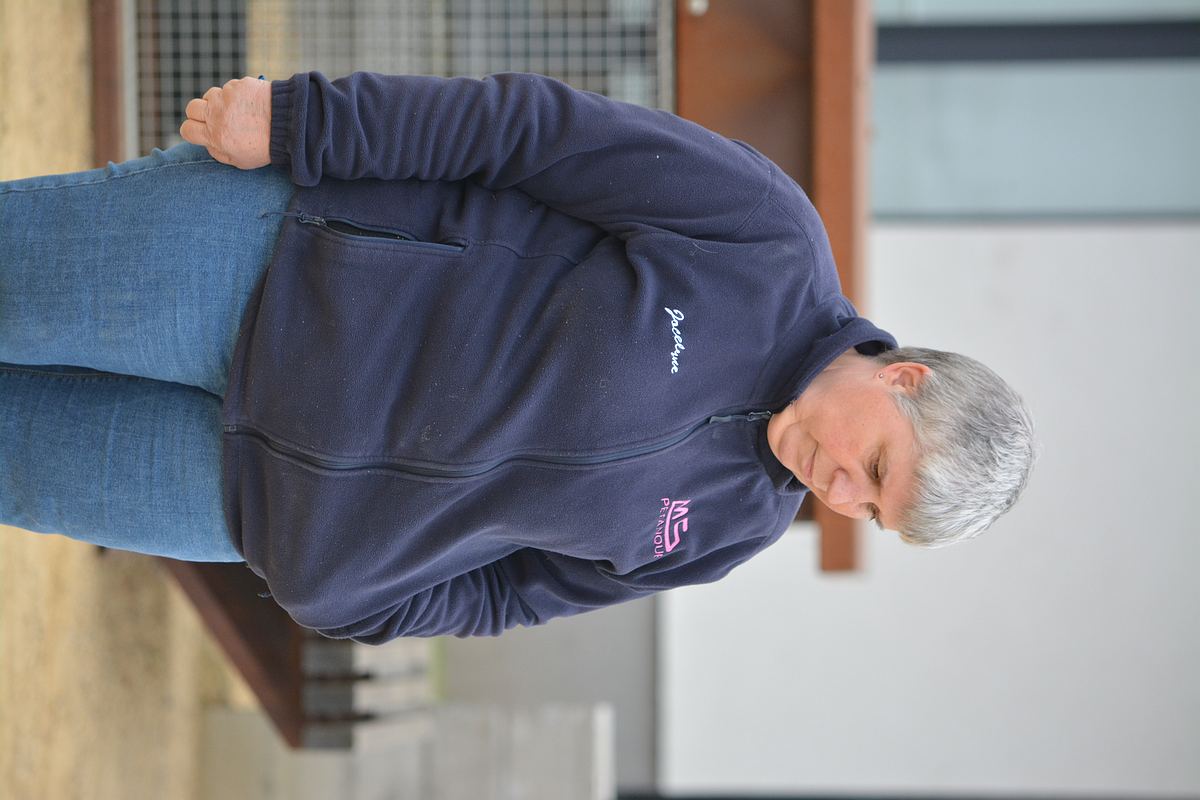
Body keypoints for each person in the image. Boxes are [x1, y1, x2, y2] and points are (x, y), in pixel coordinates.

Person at [0, 72, 1035, 643]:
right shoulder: (767, 240)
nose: (841, 494)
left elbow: (518, 592)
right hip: (259, 272)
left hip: (225, 497)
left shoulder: (734, 529)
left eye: (870, 510)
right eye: (877, 466)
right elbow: (534, 134)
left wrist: (356, 595)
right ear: (903, 379)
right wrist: (311, 123)